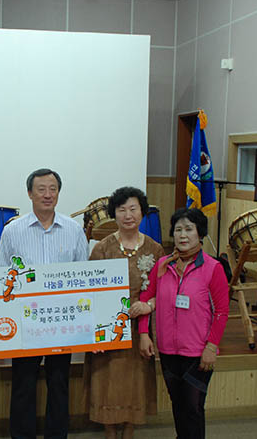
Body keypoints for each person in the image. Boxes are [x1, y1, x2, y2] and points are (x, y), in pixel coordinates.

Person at [0, 168, 89, 439]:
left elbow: (83, 276)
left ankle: (57, 435)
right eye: (41, 189)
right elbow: (0, 273)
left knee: (59, 383)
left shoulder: (74, 229)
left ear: (58, 193)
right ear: (29, 193)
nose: (48, 195)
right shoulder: (13, 231)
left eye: (53, 189)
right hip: (26, 323)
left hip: (62, 322)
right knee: (23, 384)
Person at [138, 208, 229, 439]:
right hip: (168, 350)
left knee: (193, 408)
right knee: (178, 404)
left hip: (198, 352)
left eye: (189, 229)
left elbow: (221, 312)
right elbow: (146, 299)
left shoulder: (213, 268)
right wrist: (144, 333)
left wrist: (211, 347)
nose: (183, 235)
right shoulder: (163, 265)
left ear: (200, 233)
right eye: (178, 230)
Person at [83, 187, 164, 439]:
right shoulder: (102, 249)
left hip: (140, 328)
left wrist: (149, 305)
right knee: (106, 380)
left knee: (135, 381)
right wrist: (95, 334)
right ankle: (109, 430)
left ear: (142, 212)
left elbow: (161, 290)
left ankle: (129, 429)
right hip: (108, 328)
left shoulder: (155, 249)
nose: (128, 215)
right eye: (121, 210)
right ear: (113, 214)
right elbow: (91, 293)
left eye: (133, 209)